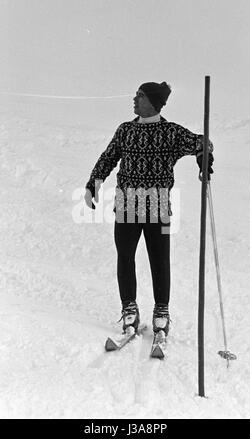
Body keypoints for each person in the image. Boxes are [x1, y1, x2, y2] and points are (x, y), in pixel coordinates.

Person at [85, 81, 213, 338]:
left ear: (153, 102)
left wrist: (203, 159)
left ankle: (161, 313)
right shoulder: (125, 130)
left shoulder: (172, 133)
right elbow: (108, 157)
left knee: (160, 260)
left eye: (140, 96)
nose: (134, 99)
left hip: (158, 207)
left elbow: (203, 142)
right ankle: (129, 308)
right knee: (125, 257)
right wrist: (93, 184)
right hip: (126, 206)